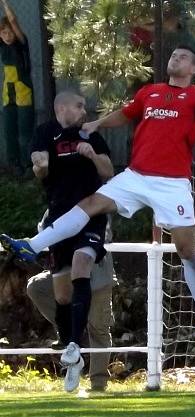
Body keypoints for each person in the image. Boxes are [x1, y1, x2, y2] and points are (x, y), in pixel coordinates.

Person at [0, 45, 195, 351]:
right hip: (137, 175)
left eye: (184, 57)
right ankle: (32, 245)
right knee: (92, 202)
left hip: (173, 183)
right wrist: (97, 123)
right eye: (173, 55)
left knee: (186, 248)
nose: (175, 58)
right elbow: (126, 113)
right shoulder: (151, 92)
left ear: (193, 69)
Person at [25, 90, 113, 392]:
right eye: (79, 106)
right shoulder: (45, 133)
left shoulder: (88, 132)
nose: (84, 111)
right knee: (62, 294)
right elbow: (41, 170)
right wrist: (40, 165)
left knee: (82, 264)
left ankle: (77, 347)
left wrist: (93, 155)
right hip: (59, 220)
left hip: (90, 214)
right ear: (62, 107)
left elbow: (108, 171)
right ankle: (72, 351)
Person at [27, 250, 115, 392]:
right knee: (36, 286)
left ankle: (98, 384)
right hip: (68, 272)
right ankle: (70, 331)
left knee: (99, 329)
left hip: (97, 278)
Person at [0, 0, 34, 173]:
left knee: (25, 132)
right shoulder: (2, 45)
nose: (7, 35)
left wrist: (4, 3)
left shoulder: (21, 42)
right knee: (9, 131)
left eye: (10, 32)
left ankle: (29, 165)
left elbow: (12, 20)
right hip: (8, 93)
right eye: (3, 32)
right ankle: (15, 165)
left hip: (23, 91)